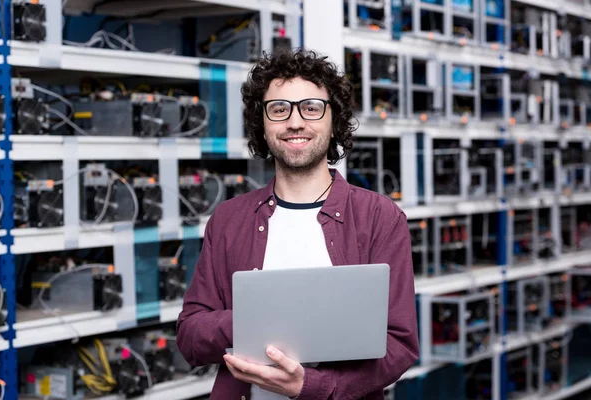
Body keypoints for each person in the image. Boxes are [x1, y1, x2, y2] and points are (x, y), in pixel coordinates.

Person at [176, 48, 419, 400]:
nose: (295, 122)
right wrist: (253, 320)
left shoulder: (379, 218)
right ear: (262, 123)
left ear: (333, 120)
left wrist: (311, 387)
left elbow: (399, 345)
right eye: (279, 109)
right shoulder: (229, 220)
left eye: (311, 107)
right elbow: (190, 338)